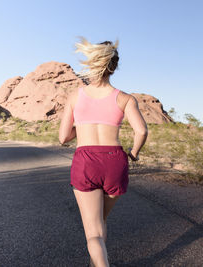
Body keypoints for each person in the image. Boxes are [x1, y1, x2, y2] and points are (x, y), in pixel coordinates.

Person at [59, 38, 148, 267]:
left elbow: (63, 137)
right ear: (114, 67)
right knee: (100, 221)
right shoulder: (125, 98)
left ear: (92, 63)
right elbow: (141, 131)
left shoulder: (75, 96)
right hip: (115, 160)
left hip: (86, 160)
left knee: (93, 232)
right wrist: (134, 153)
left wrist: (83, 127)